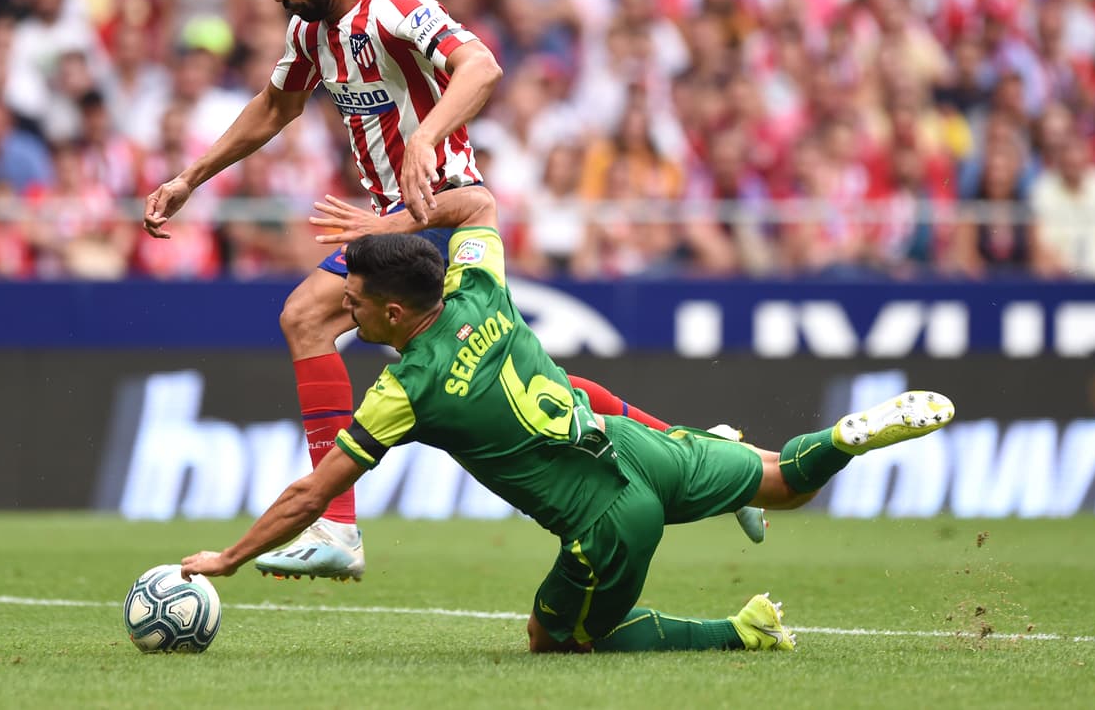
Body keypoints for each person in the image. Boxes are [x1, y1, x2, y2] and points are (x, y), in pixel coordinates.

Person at [142, 0, 755, 581]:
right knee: (526, 377)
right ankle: (701, 445)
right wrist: (190, 177)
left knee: (306, 315)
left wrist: (425, 138)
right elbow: (276, 105)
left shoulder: (394, 1)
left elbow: (482, 65)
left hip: (442, 208)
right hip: (391, 219)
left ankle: (337, 528)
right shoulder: (314, 32)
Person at [180, 184, 956, 653]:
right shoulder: (479, 289)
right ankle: (842, 438)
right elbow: (479, 204)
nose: (344, 317)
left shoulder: (405, 390)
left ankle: (740, 630)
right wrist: (395, 222)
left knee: (554, 642)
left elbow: (313, 495)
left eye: (352, 306)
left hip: (608, 520)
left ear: (390, 310)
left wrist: (233, 556)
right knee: (786, 482)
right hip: (633, 446)